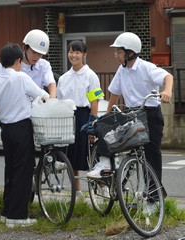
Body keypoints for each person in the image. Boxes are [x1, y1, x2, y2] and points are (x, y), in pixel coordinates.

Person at [86, 32, 173, 185]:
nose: (115, 55)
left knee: (151, 157)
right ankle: (104, 164)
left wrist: (167, 91)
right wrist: (106, 118)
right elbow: (114, 94)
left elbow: (168, 77)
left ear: (130, 53)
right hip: (132, 115)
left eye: (118, 52)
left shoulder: (146, 67)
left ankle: (152, 199)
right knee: (107, 128)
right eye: (116, 52)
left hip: (150, 115)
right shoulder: (122, 70)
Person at [0, 43, 49, 228]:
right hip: (21, 128)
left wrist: (2, 105)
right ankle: (17, 217)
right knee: (23, 171)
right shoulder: (21, 77)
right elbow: (42, 95)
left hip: (5, 130)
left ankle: (7, 212)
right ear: (18, 60)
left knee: (10, 170)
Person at [57, 40, 104, 196]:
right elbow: (59, 101)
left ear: (84, 55)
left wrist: (93, 123)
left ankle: (100, 190)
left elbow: (94, 101)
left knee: (91, 155)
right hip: (68, 118)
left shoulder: (91, 76)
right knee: (71, 155)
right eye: (71, 51)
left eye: (77, 52)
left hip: (85, 116)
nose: (73, 55)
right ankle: (76, 190)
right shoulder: (63, 78)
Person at [21, 29, 57, 98]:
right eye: (34, 52)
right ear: (25, 48)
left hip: (37, 106)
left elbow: (51, 83)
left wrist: (52, 100)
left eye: (40, 54)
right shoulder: (14, 64)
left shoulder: (43, 65)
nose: (36, 57)